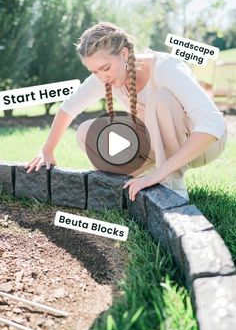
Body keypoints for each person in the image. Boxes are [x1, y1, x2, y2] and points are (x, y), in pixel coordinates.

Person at [26, 22, 227, 202]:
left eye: (105, 68)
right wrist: (48, 150)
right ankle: (139, 179)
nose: (102, 77)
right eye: (94, 71)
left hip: (201, 147)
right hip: (155, 148)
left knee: (161, 99)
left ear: (124, 54)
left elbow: (212, 124)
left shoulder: (166, 67)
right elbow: (68, 108)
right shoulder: (106, 76)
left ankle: (171, 182)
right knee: (87, 132)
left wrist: (160, 174)